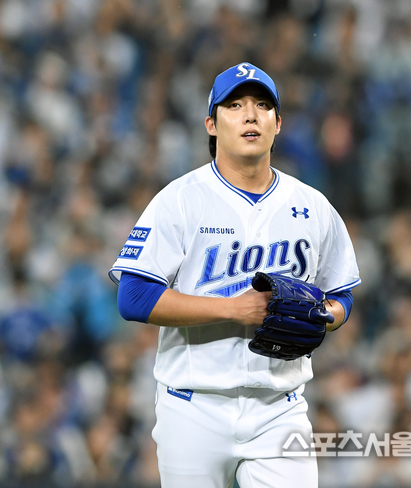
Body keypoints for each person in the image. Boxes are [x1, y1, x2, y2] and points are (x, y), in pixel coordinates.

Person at [108, 62, 361, 488]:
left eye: (262, 105)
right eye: (235, 105)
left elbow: (342, 297)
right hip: (193, 408)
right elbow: (133, 298)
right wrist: (232, 309)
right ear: (211, 124)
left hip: (280, 408)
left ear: (278, 124)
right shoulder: (180, 200)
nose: (250, 115)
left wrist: (325, 316)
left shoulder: (313, 206)